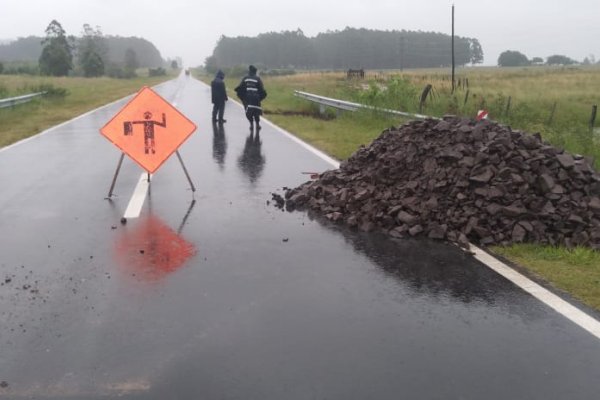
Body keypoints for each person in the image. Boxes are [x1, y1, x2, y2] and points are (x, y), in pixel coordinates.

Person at [235, 65, 267, 131]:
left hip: (247, 98)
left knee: (248, 111)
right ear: (255, 71)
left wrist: (240, 94)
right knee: (256, 111)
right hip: (256, 98)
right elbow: (261, 89)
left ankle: (251, 124)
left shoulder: (245, 78)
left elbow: (241, 87)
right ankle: (257, 124)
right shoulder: (258, 78)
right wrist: (261, 96)